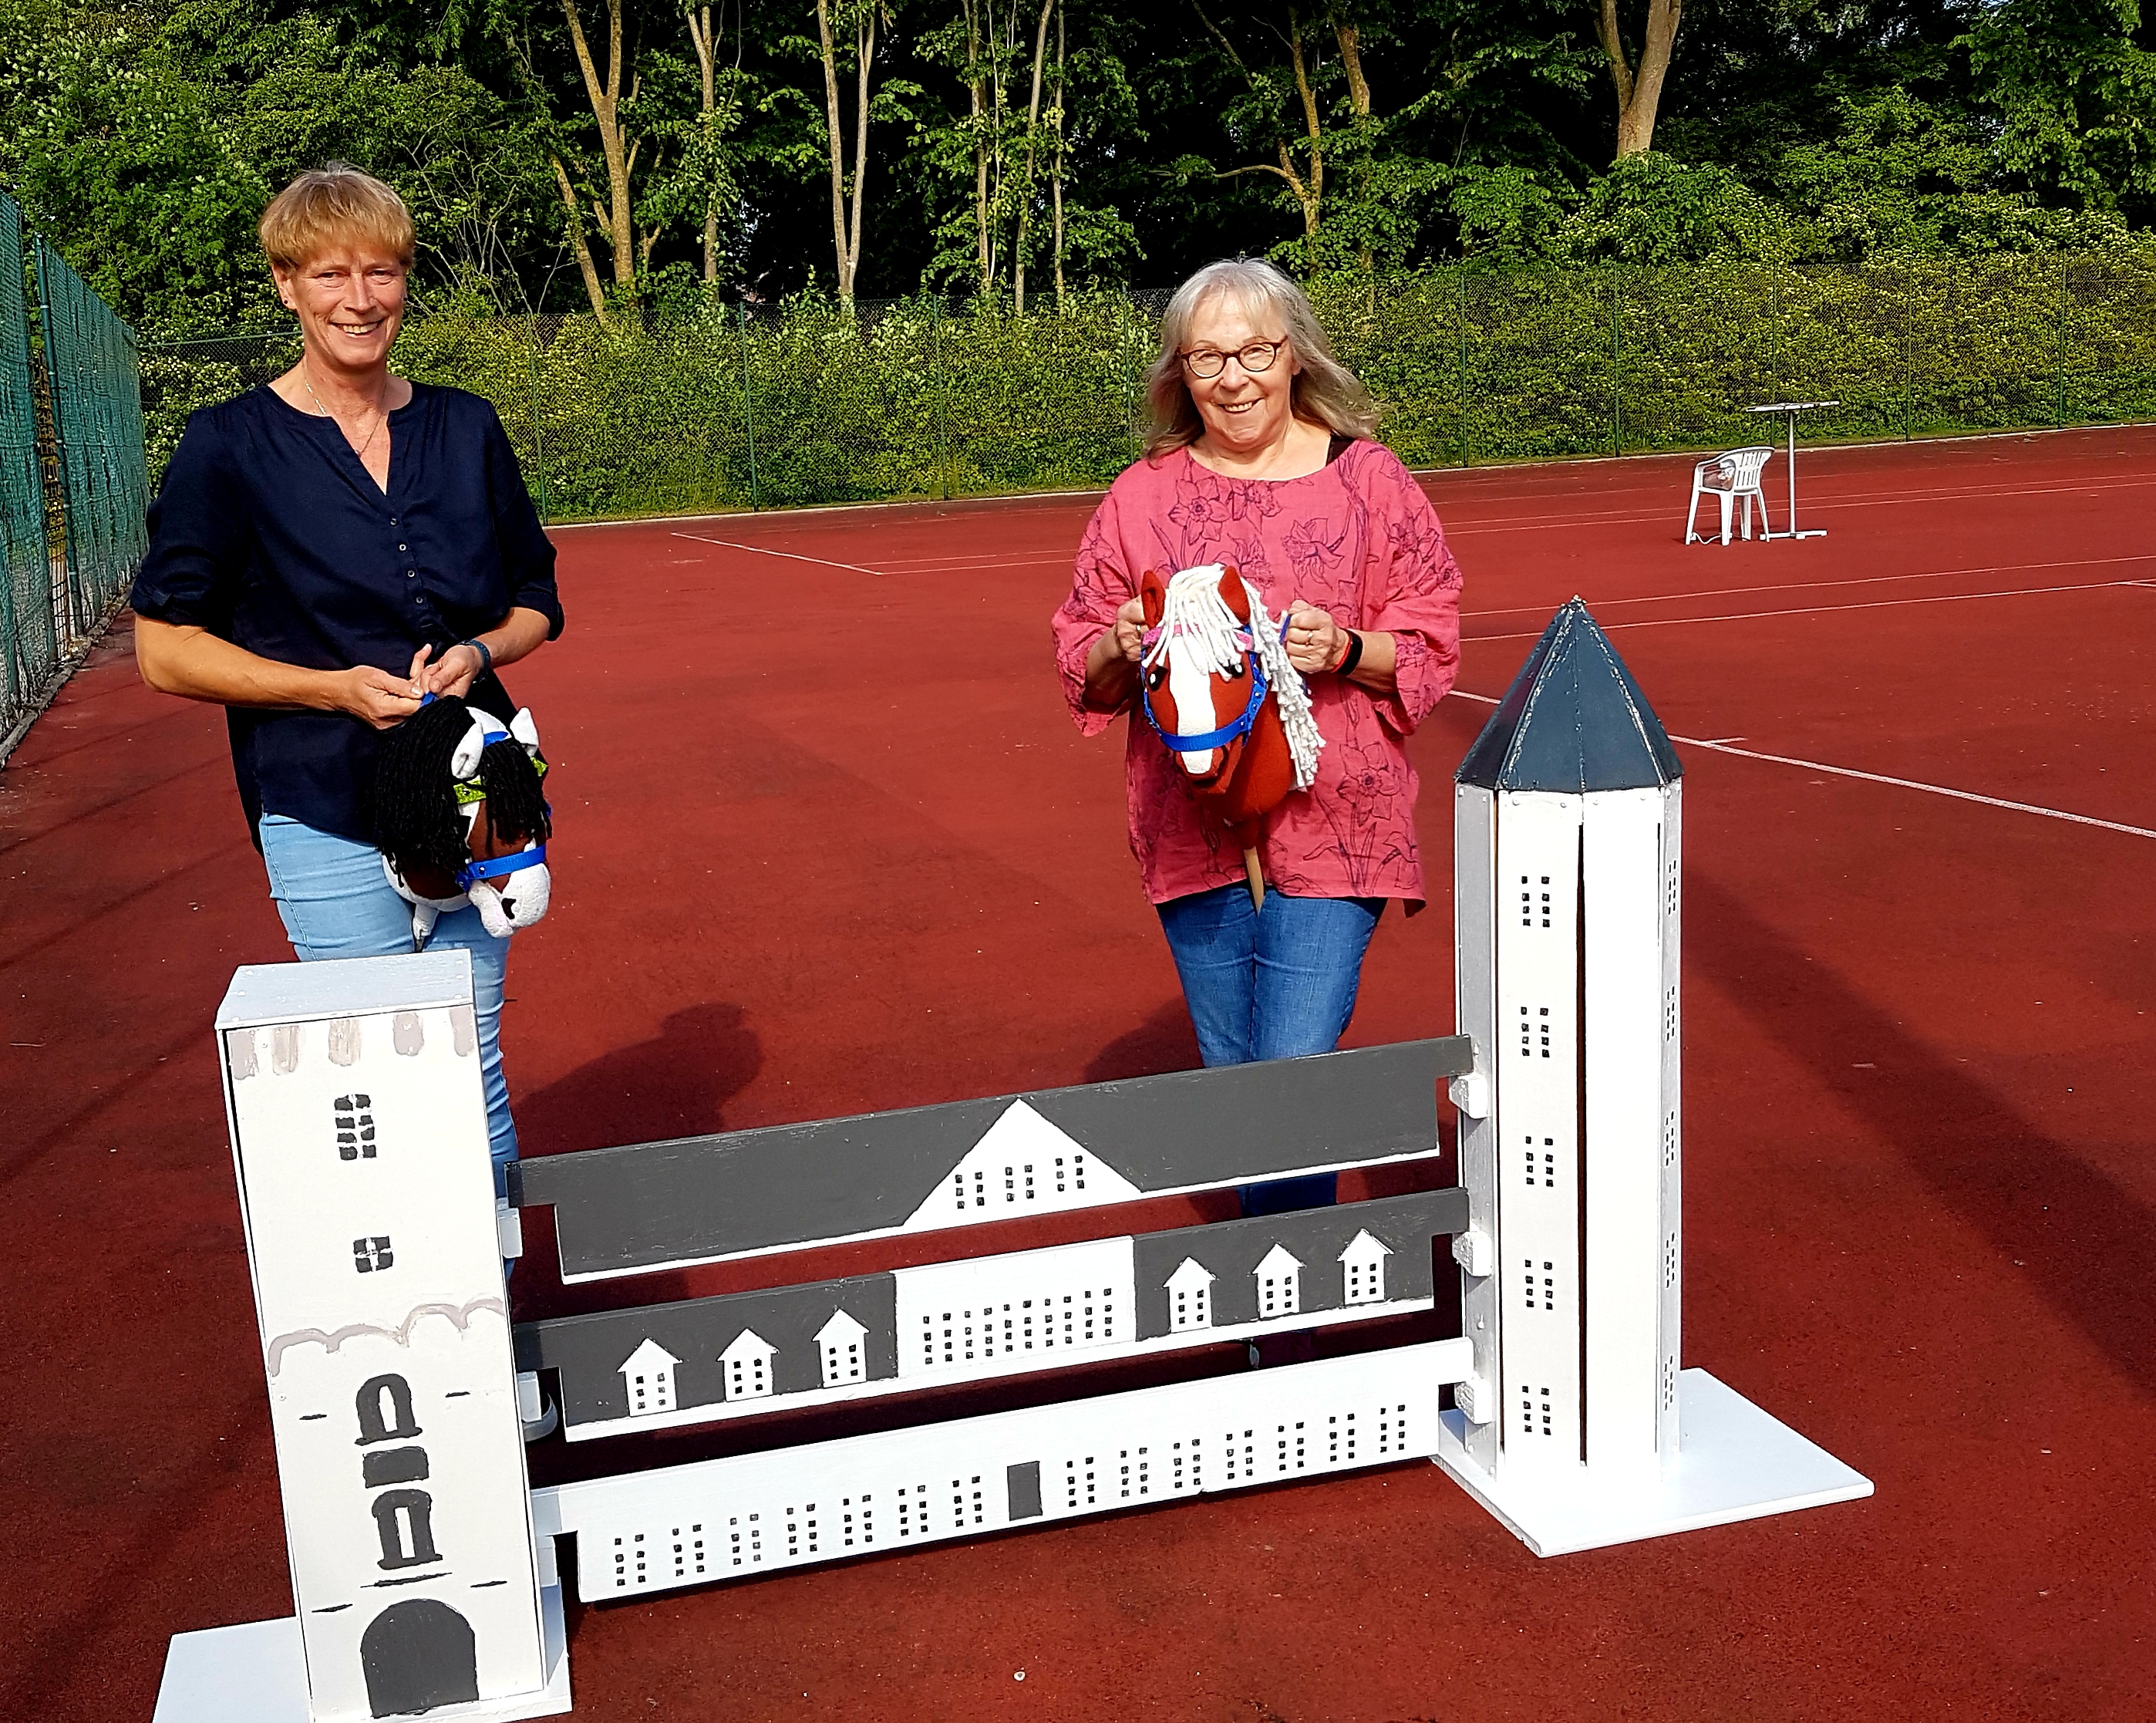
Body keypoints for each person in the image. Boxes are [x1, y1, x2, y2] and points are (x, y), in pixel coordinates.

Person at [130, 164, 562, 1196]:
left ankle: (488, 1279)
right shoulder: (228, 446)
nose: (359, 299)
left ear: (405, 281)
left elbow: (538, 601)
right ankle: (405, 1263)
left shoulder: (465, 426)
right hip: (320, 796)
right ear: (287, 285)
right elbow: (163, 649)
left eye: (381, 272)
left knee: (471, 1050)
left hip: (472, 791)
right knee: (377, 1057)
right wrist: (330, 688)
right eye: (329, 274)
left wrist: (480, 653)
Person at [1051, 257, 1463, 1217]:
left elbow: (1432, 634)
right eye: (1207, 358)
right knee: (1239, 1084)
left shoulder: (1371, 481)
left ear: (1295, 355)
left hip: (1338, 821)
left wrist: (1347, 646)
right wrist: (1119, 644)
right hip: (1194, 826)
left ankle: (1290, 1286)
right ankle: (1270, 1283)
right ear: (1179, 372)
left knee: (1292, 1074)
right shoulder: (1139, 498)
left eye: (1255, 352)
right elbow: (1081, 659)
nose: (1233, 378)